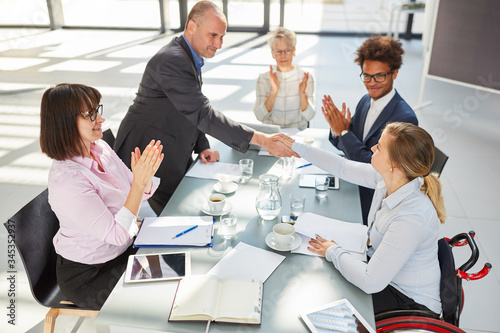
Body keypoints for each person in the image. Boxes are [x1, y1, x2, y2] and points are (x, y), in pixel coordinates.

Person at [114, 1, 296, 215]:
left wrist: (202, 145)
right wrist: (263, 140)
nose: (219, 44)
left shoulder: (187, 56)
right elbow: (202, 113)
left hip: (168, 147)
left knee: (186, 212)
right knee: (176, 217)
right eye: (213, 35)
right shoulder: (173, 60)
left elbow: (189, 106)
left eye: (222, 37)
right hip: (146, 154)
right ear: (191, 27)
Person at [283, 122, 445, 315]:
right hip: (385, 274)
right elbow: (341, 166)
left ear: (396, 165)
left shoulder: (411, 218)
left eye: (380, 147)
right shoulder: (390, 179)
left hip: (407, 301)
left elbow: (370, 282)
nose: (372, 148)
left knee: (322, 293)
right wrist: (294, 146)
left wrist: (333, 251)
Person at [40, 83, 164, 310]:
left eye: (98, 110)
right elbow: (117, 233)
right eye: (91, 114)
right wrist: (138, 183)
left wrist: (142, 179)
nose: (101, 120)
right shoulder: (67, 180)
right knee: (159, 299)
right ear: (65, 122)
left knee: (177, 264)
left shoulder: (100, 147)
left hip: (125, 248)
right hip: (90, 275)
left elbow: (134, 193)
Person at [323, 35, 418, 225]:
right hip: (353, 183)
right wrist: (338, 130)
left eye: (380, 75)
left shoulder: (405, 119)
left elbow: (376, 168)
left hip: (374, 202)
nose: (371, 82)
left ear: (395, 73)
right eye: (367, 75)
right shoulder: (366, 100)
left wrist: (344, 133)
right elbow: (351, 142)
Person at [253, 27, 315, 130]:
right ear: (272, 53)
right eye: (278, 51)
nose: (283, 56)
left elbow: (309, 116)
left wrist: (302, 94)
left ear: (294, 51)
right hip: (272, 135)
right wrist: (274, 92)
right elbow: (260, 116)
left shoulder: (305, 78)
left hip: (297, 134)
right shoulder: (263, 79)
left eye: (287, 50)